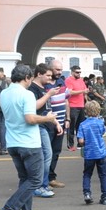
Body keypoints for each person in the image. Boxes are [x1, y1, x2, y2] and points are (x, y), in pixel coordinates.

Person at [0, 64, 62, 210]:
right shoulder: (27, 94)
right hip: (29, 143)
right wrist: (49, 118)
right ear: (27, 78)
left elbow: (18, 113)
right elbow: (30, 118)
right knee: (36, 180)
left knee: (25, 179)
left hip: (13, 142)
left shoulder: (4, 93)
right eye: (30, 78)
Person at [29, 64, 62, 198]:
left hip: (46, 124)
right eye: (48, 75)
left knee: (47, 155)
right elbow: (34, 106)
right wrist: (48, 94)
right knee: (46, 155)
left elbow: (47, 110)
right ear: (38, 74)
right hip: (39, 125)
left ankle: (42, 183)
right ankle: (40, 185)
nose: (50, 78)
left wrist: (56, 122)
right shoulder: (32, 89)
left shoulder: (44, 88)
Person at [77, 100, 106, 205]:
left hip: (89, 154)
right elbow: (103, 132)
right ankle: (105, 197)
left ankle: (87, 193)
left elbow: (81, 141)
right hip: (101, 152)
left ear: (86, 111)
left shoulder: (83, 124)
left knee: (87, 174)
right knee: (103, 175)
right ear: (98, 111)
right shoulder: (100, 123)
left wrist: (85, 143)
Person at [46, 60, 69, 189]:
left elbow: (66, 102)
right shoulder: (45, 85)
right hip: (48, 124)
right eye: (57, 70)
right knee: (46, 152)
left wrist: (67, 119)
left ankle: (51, 178)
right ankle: (42, 179)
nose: (59, 72)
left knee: (55, 152)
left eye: (61, 69)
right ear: (50, 69)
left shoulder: (62, 82)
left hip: (61, 123)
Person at [65, 65, 89, 151]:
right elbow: (70, 92)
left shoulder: (81, 80)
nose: (79, 74)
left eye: (80, 72)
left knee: (80, 126)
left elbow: (85, 91)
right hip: (72, 106)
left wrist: (87, 101)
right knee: (71, 127)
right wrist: (83, 91)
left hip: (81, 105)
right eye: (77, 72)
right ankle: (70, 145)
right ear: (72, 72)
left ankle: (80, 143)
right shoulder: (68, 80)